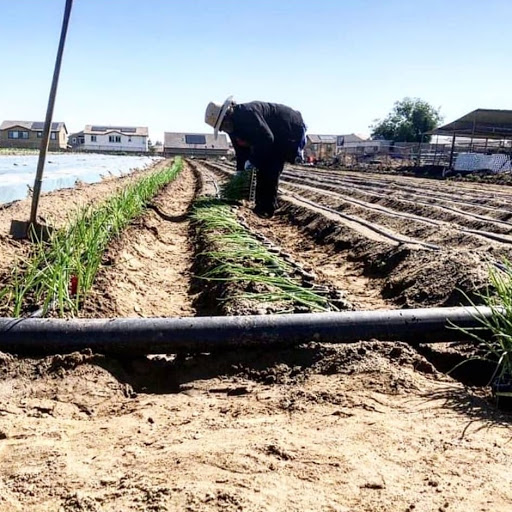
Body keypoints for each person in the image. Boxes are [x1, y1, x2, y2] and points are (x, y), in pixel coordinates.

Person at [205, 97, 306, 218]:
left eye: (223, 125)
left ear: (227, 115)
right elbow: (240, 152)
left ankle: (266, 210)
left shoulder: (247, 114)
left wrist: (252, 161)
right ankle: (261, 206)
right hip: (272, 134)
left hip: (289, 128)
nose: (225, 129)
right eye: (222, 128)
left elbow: (267, 138)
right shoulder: (232, 128)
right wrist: (240, 172)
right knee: (262, 166)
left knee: (269, 167)